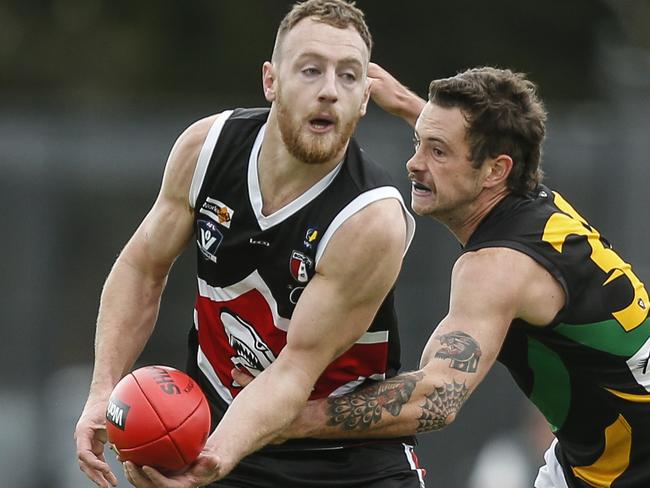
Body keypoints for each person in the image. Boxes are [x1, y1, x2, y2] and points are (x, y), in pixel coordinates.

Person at [74, 2, 425, 488]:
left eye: (348, 76)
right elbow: (142, 269)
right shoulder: (207, 148)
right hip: (221, 423)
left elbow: (293, 373)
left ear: (364, 98)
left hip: (347, 458)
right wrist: (102, 392)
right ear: (271, 80)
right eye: (310, 70)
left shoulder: (370, 220)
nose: (329, 91)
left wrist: (214, 457)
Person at [247, 64, 650, 487]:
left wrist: (290, 416)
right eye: (419, 142)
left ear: (496, 170)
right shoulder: (523, 194)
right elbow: (474, 152)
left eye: (436, 151)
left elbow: (437, 398)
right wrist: (405, 103)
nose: (413, 164)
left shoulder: (495, 267)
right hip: (597, 455)